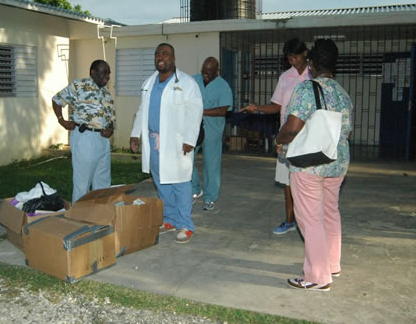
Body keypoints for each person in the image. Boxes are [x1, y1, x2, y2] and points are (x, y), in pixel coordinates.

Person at [276, 39, 353, 291]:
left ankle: (317, 277)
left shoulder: (306, 89)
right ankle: (332, 264)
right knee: (330, 212)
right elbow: (347, 132)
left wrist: (279, 138)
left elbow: (292, 128)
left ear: (311, 63)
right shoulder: (343, 94)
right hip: (337, 163)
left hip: (310, 165)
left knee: (310, 217)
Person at [130, 43, 203, 243]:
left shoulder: (187, 83)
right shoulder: (149, 83)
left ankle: (186, 225)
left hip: (177, 142)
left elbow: (195, 112)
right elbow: (142, 110)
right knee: (162, 182)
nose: (160, 57)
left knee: (180, 183)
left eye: (165, 54)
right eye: (157, 54)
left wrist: (190, 139)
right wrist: (135, 134)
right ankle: (169, 220)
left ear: (173, 58)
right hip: (154, 142)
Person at [241, 39, 311, 234]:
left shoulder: (314, 74)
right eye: (289, 57)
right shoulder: (285, 77)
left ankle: (307, 221)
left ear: (305, 53)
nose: (292, 61)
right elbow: (278, 105)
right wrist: (258, 108)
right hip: (288, 134)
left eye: (295, 57)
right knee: (288, 181)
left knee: (307, 181)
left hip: (309, 136)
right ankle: (290, 220)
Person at [53, 60, 116, 203]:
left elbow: (110, 119)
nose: (107, 76)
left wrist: (110, 129)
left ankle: (101, 213)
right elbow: (57, 100)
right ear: (93, 72)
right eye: (104, 72)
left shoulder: (106, 93)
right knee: (83, 182)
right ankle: (79, 217)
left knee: (103, 181)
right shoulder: (79, 86)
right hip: (85, 138)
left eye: (109, 73)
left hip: (102, 141)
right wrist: (61, 120)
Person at [191, 57, 233, 211]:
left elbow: (223, 110)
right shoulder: (194, 80)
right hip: (193, 127)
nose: (205, 75)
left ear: (217, 71)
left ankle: (210, 197)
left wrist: (201, 111)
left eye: (209, 72)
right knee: (187, 160)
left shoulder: (223, 87)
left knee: (211, 164)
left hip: (212, 129)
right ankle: (195, 189)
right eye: (203, 71)